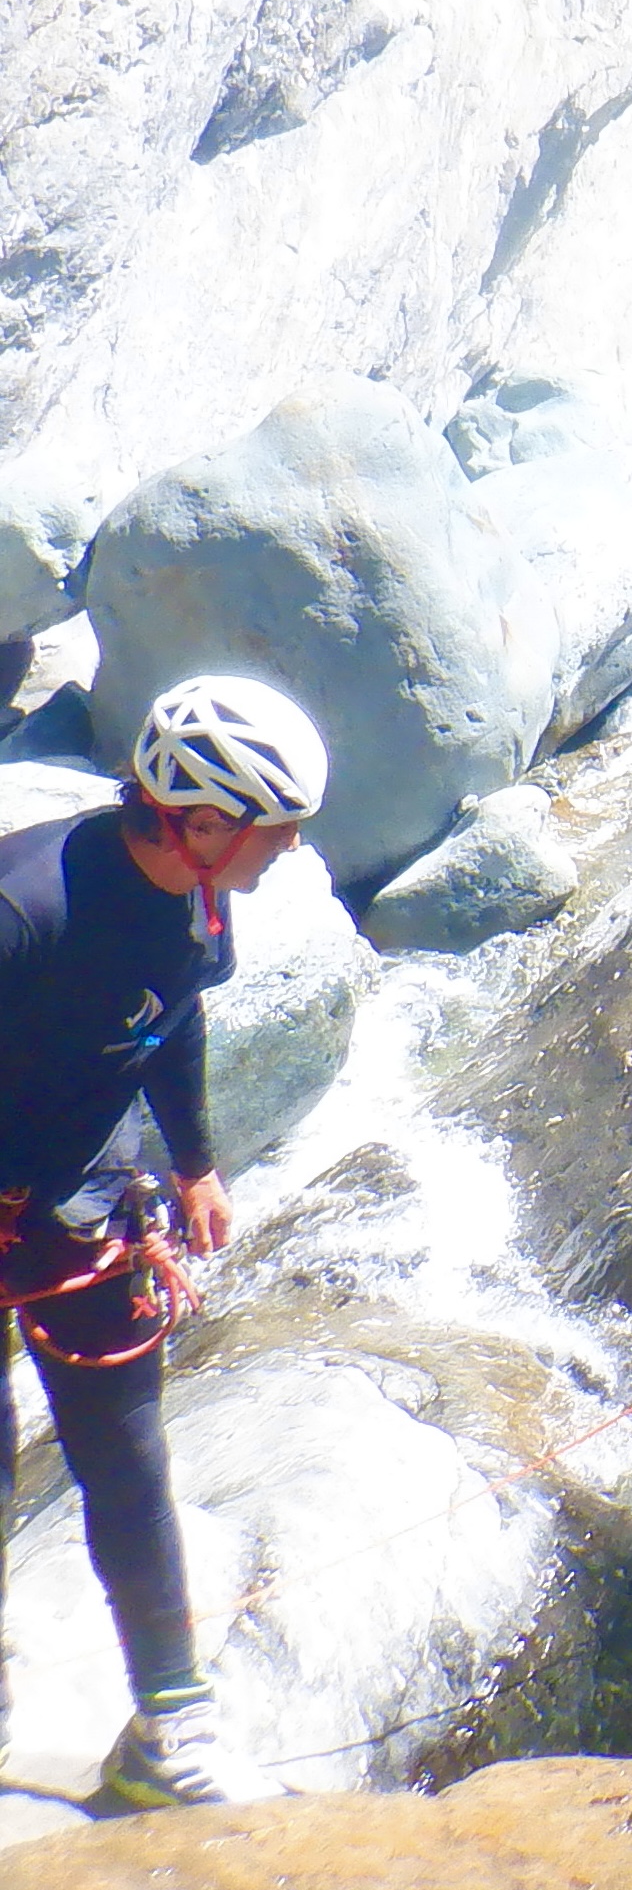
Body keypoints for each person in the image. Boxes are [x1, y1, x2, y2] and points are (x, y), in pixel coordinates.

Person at [0, 673, 329, 1806]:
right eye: (269, 836)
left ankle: (169, 1727)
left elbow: (170, 1017)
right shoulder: (25, 912)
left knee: (128, 1459)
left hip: (85, 1195)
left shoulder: (195, 900)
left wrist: (194, 1162)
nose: (279, 855)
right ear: (197, 823)